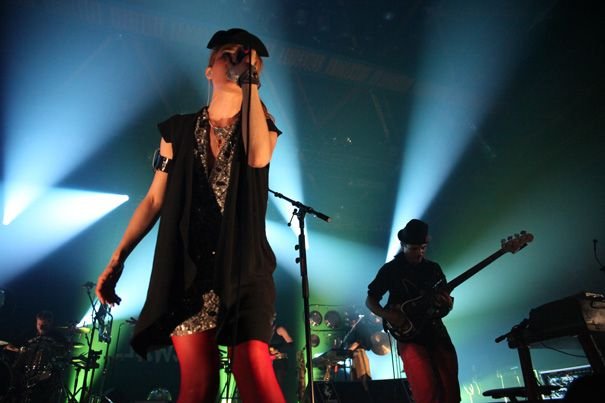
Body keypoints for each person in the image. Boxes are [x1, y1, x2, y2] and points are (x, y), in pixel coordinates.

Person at [95, 28, 285, 403]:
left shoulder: (263, 126)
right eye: (228, 53)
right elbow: (154, 200)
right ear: (209, 70)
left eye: (246, 56)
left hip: (244, 268)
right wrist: (117, 260)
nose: (237, 58)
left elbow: (257, 157)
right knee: (198, 386)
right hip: (189, 272)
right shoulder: (177, 131)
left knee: (253, 368)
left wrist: (250, 83)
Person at [366, 219, 460, 403]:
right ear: (403, 245)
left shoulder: (433, 269)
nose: (420, 252)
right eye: (415, 248)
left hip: (437, 333)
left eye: (423, 248)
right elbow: (370, 300)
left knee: (451, 391)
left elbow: (444, 307)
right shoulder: (391, 270)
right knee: (426, 391)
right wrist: (390, 315)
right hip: (410, 338)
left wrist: (446, 304)